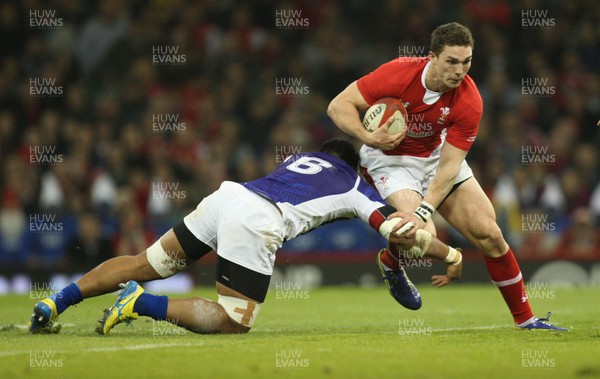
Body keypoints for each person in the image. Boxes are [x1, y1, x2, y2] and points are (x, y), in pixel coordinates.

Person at [29, 139, 463, 335]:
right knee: (235, 319)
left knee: (146, 262)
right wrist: (449, 252)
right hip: (257, 217)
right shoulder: (354, 184)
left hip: (229, 196)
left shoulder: (300, 157)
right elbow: (404, 232)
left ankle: (55, 301)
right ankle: (139, 302)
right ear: (357, 166)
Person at [327, 22, 566, 330]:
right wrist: (368, 137)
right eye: (451, 62)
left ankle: (527, 320)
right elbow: (338, 105)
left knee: (489, 234)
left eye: (466, 62)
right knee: (418, 236)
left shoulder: (469, 100)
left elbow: (450, 167)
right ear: (432, 57)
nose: (459, 70)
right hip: (391, 161)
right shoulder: (398, 73)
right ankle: (394, 263)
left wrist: (425, 208)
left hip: (436, 158)